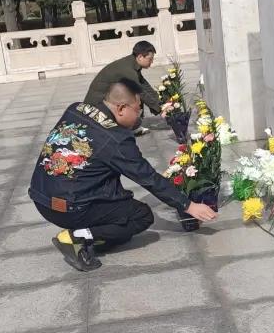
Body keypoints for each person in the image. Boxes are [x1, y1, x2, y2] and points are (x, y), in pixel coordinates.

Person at [29, 78, 217, 271]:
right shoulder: (116, 138)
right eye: (137, 110)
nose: (139, 117)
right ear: (121, 108)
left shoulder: (76, 108)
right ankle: (77, 237)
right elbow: (148, 178)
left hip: (41, 198)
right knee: (140, 216)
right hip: (69, 208)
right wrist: (188, 205)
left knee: (119, 212)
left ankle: (93, 235)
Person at [84, 40, 162, 134]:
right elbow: (141, 92)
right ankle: (132, 127)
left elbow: (144, 84)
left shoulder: (131, 63)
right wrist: (160, 109)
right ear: (140, 57)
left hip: (105, 103)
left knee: (134, 94)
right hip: (95, 109)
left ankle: (133, 125)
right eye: (150, 59)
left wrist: (159, 101)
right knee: (136, 97)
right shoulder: (128, 69)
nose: (152, 62)